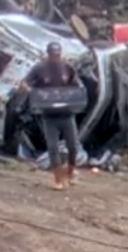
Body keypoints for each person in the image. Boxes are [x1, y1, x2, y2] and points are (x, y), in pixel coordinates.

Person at [26, 42, 84, 190]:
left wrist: (76, 94)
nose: (55, 58)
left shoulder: (67, 68)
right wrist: (33, 93)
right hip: (49, 115)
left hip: (66, 114)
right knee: (53, 148)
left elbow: (77, 84)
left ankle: (70, 171)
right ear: (48, 55)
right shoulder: (40, 68)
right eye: (53, 55)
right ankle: (58, 178)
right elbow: (25, 83)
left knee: (73, 146)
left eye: (57, 55)